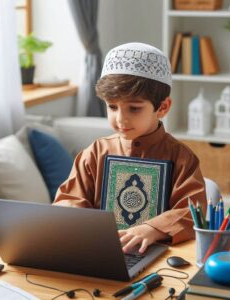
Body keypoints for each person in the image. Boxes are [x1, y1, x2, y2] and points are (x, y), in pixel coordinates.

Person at [54, 42, 206, 254]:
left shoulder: (181, 158)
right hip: (99, 252)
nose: (120, 119)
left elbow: (190, 212)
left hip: (157, 256)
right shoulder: (95, 153)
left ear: (163, 107)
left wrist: (151, 228)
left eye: (134, 109)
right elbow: (69, 201)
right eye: (112, 107)